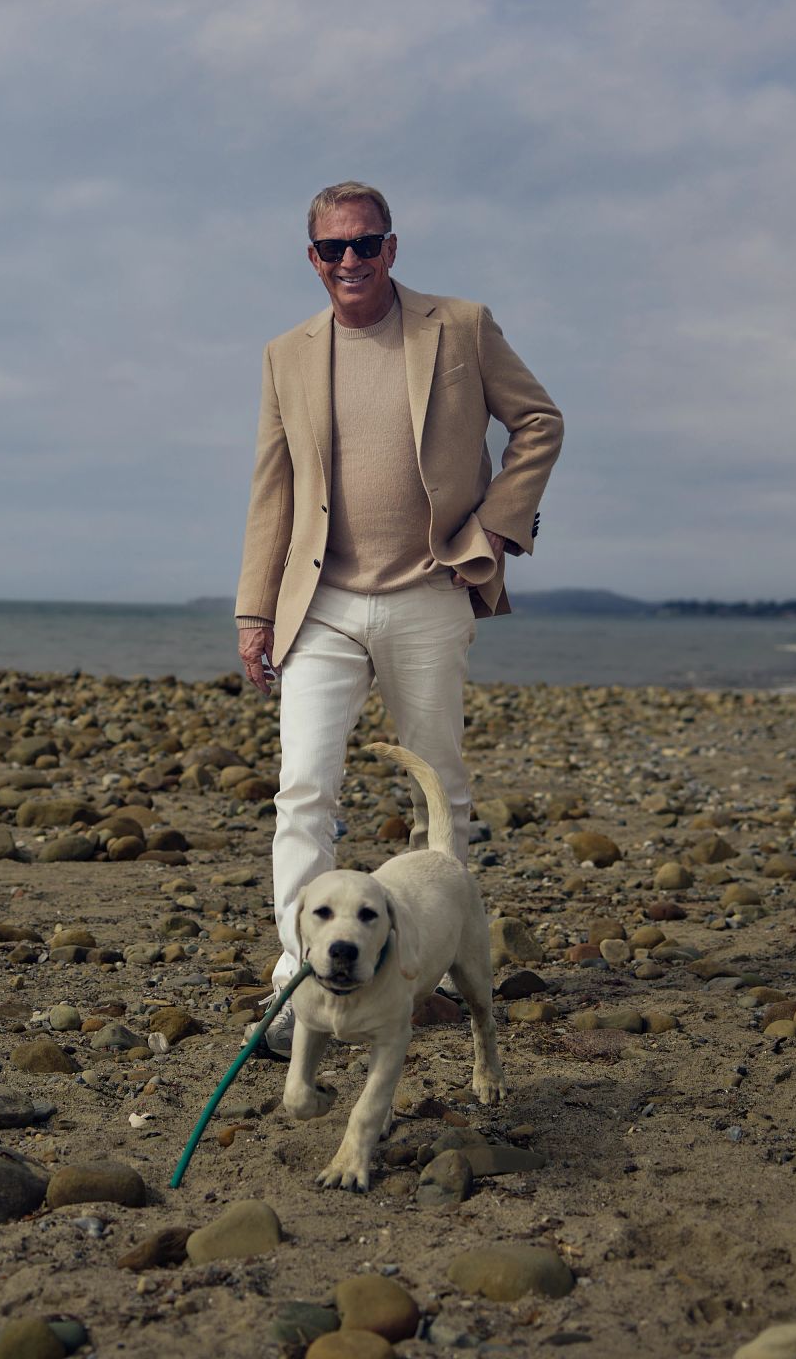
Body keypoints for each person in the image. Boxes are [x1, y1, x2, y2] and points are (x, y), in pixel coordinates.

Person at [235, 181, 562, 1055]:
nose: (351, 261)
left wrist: (494, 526)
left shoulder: (460, 325)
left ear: (391, 248)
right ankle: (301, 971)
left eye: (367, 244)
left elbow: (538, 420)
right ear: (312, 258)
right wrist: (253, 611)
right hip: (323, 604)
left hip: (427, 590)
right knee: (303, 786)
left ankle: (422, 958)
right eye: (334, 248)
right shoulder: (285, 355)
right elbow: (273, 490)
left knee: (438, 789)